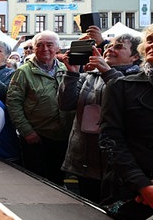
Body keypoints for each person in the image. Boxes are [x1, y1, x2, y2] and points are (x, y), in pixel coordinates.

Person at [58, 34, 141, 203]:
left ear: (135, 56)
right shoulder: (89, 76)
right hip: (86, 158)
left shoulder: (139, 80)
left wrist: (108, 72)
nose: (110, 49)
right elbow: (65, 104)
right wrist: (72, 74)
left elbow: (128, 105)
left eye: (118, 47)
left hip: (120, 164)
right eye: (109, 45)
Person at [6, 30, 74, 186]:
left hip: (61, 136)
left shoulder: (66, 69)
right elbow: (13, 103)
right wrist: (27, 131)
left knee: (57, 180)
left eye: (49, 45)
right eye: (40, 45)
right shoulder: (23, 72)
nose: (45, 49)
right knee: (35, 182)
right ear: (34, 48)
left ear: (57, 47)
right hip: (36, 136)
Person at [99, 25, 153, 219]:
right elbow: (110, 140)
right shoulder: (121, 86)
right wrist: (143, 186)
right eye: (150, 40)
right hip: (127, 191)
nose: (152, 44)